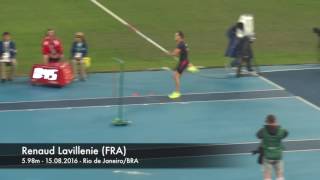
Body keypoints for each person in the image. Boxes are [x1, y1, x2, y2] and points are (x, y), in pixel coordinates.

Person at [256, 115, 288, 180]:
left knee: (267, 176)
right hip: (278, 156)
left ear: (267, 121)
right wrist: (277, 126)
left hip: (267, 157)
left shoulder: (263, 131)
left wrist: (266, 127)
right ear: (275, 121)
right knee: (280, 175)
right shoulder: (281, 131)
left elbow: (258, 135)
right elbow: (286, 133)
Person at [168, 31, 189, 99]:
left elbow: (174, 53)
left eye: (176, 35)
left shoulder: (180, 44)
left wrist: (170, 53)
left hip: (183, 62)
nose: (175, 37)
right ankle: (177, 91)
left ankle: (177, 93)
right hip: (183, 61)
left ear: (179, 36)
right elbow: (185, 50)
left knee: (176, 76)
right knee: (176, 77)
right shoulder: (183, 43)